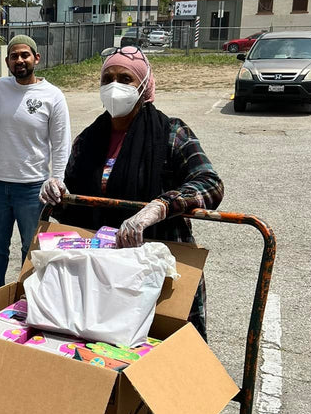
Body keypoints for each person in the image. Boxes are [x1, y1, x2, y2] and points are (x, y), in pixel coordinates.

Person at [40, 45, 223, 338]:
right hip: (105, 272)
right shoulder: (88, 140)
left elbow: (210, 183)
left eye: (125, 79)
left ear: (144, 86)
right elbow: (74, 207)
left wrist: (160, 206)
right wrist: (57, 194)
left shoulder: (171, 133)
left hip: (160, 267)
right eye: (108, 79)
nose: (115, 86)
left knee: (167, 349)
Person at [0, 34, 71, 291]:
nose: (19, 60)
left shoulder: (52, 95)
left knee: (31, 247)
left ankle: (29, 296)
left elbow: (61, 143)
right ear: (7, 61)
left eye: (24, 55)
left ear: (36, 58)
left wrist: (57, 179)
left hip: (33, 189)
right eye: (14, 56)